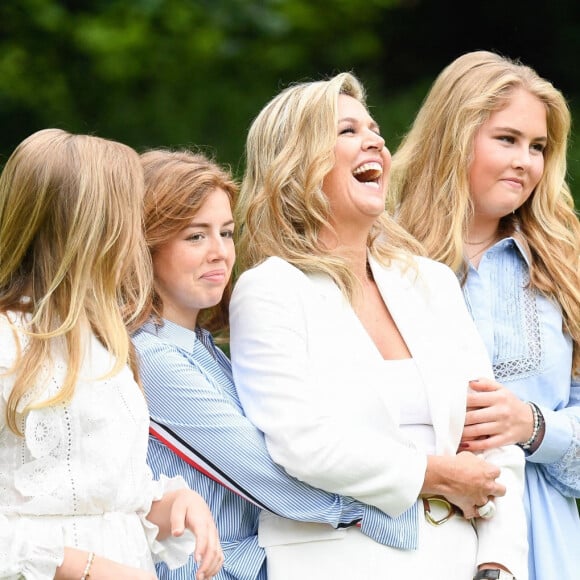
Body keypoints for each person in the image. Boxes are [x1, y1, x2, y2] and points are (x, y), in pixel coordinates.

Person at [228, 72, 528, 580]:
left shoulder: (430, 281)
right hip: (335, 560)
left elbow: (492, 433)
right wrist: (433, 475)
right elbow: (301, 441)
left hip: (462, 562)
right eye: (346, 131)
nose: (375, 141)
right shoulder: (270, 290)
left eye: (374, 129)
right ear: (296, 164)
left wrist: (498, 561)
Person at [132, 148, 433, 580]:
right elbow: (267, 476)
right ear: (147, 245)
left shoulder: (204, 349)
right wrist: (399, 504)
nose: (219, 252)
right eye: (195, 236)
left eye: (227, 233)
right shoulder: (151, 357)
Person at [389, 50, 580, 580]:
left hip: (546, 542)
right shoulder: (382, 260)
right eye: (506, 139)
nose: (526, 161)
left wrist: (534, 426)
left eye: (538, 146)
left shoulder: (567, 264)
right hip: (416, 534)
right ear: (455, 137)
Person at [0, 129, 223, 580]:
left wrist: (171, 505)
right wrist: (83, 568)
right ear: (86, 227)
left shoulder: (105, 342)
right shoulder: (7, 340)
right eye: (127, 216)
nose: (138, 237)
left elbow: (100, 492)